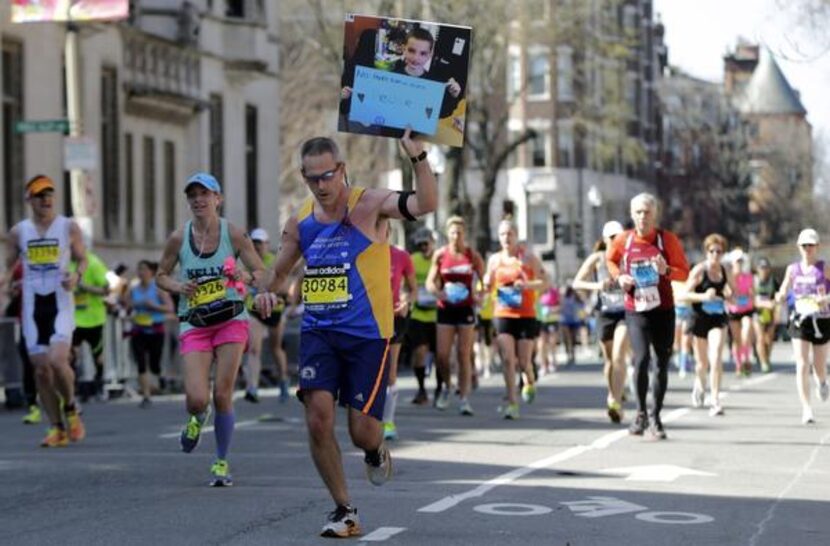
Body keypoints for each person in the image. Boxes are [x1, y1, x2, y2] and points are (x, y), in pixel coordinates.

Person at [253, 129, 437, 537]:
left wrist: (418, 156)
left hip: (367, 336)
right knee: (317, 418)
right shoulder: (300, 222)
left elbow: (426, 202)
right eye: (311, 178)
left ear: (342, 170)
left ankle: (375, 450)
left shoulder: (369, 204)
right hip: (320, 332)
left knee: (362, 432)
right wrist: (261, 293)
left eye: (327, 176)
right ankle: (343, 509)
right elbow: (278, 274)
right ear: (303, 177)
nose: (320, 186)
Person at [156, 172, 268, 486]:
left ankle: (221, 462)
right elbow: (160, 275)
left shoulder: (233, 233)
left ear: (217, 198)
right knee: (196, 398)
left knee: (222, 394)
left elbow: (260, 270)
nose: (198, 200)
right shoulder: (179, 237)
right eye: (192, 195)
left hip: (231, 317)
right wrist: (180, 286)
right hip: (195, 322)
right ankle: (195, 417)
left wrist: (241, 277)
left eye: (205, 194)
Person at [3, 175, 88, 447]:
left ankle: (72, 408)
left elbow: (82, 258)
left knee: (57, 360)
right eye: (40, 195)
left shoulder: (68, 227)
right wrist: (5, 284)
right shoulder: (20, 232)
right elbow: (7, 266)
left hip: (60, 301)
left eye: (49, 194)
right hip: (31, 305)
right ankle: (56, 427)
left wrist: (77, 276)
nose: (46, 200)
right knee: (41, 371)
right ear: (29, 199)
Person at [606, 192, 689, 439]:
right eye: (638, 212)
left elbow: (684, 273)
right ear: (632, 215)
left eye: (647, 212)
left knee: (661, 363)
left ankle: (656, 416)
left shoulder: (667, 240)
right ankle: (641, 413)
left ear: (655, 215)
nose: (643, 217)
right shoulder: (624, 240)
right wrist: (619, 277)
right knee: (641, 360)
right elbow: (610, 260)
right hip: (636, 309)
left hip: (663, 309)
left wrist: (667, 270)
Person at [484, 219, 547, 420]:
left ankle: (529, 379)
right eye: (502, 234)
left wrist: (526, 285)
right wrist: (485, 283)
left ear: (516, 235)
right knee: (508, 359)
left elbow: (546, 282)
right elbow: (488, 284)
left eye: (509, 234)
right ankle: (512, 402)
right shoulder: (494, 260)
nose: (505, 238)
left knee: (523, 361)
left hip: (526, 314)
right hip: (502, 313)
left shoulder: (528, 258)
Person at [426, 215, 485, 414]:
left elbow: (484, 282)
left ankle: (464, 398)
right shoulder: (441, 255)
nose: (456, 236)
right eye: (452, 232)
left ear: (464, 234)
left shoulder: (472, 255)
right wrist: (439, 292)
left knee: (463, 354)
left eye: (459, 232)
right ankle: (446, 386)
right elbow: (430, 282)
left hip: (466, 308)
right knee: (442, 356)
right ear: (447, 234)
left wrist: (479, 295)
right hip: (446, 307)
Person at [572, 220, 628, 423]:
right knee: (610, 361)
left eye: (620, 237)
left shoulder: (627, 258)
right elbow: (577, 282)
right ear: (605, 239)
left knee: (619, 354)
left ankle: (617, 403)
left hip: (625, 312)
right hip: (604, 312)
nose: (617, 240)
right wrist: (598, 285)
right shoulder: (597, 259)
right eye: (613, 237)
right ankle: (613, 393)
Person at [774, 228, 830, 425]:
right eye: (804, 245)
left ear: (817, 247)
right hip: (799, 319)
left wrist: (826, 299)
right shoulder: (792, 269)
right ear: (799, 247)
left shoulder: (824, 267)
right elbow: (783, 290)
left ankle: (822, 382)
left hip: (821, 320)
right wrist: (780, 296)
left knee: (819, 366)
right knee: (802, 362)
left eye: (811, 245)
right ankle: (807, 408)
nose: (808, 249)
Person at [684, 234, 735, 417]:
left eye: (719, 251)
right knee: (702, 363)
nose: (715, 254)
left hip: (718, 318)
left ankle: (715, 399)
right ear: (706, 252)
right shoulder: (699, 270)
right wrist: (704, 296)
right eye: (712, 251)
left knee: (716, 357)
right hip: (699, 318)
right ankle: (699, 382)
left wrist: (728, 295)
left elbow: (732, 293)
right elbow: (684, 295)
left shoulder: (725, 270)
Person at [244, 228, 290, 404]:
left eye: (260, 243)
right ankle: (252, 388)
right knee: (254, 349)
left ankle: (284, 381)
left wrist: (271, 288)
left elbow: (286, 289)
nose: (256, 247)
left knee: (276, 348)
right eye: (254, 243)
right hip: (255, 311)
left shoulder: (275, 262)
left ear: (267, 245)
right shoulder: (247, 263)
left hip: (275, 310)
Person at [126, 260, 174, 408]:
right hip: (138, 329)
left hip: (155, 329)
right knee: (141, 362)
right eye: (139, 269)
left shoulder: (157, 288)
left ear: (151, 272)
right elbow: (127, 307)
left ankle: (160, 375)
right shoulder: (133, 290)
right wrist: (131, 311)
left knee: (154, 364)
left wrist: (153, 306)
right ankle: (146, 395)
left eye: (144, 269)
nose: (141, 272)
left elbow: (170, 308)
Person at [382, 235, 417, 440]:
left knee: (390, 372)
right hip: (367, 319)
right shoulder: (362, 252)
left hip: (394, 317)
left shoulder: (401, 256)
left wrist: (407, 302)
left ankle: (388, 421)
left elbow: (413, 290)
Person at [69, 248, 111, 401]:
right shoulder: (64, 262)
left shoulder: (93, 263)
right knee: (70, 356)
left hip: (94, 319)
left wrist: (85, 287)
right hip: (73, 320)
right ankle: (73, 389)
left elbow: (107, 289)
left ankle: (99, 385)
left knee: (97, 356)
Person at [407, 227, 438, 405]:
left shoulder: (439, 259)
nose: (423, 247)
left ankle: (441, 388)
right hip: (418, 313)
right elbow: (405, 283)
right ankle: (422, 390)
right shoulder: (412, 260)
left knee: (441, 356)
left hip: (438, 314)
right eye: (420, 245)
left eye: (426, 243)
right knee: (419, 352)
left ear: (432, 243)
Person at [726, 250, 755, 376]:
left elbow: (752, 293)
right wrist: (732, 293)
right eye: (737, 261)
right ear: (732, 262)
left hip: (746, 310)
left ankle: (746, 359)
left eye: (741, 261)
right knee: (736, 340)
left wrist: (751, 296)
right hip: (733, 311)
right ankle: (739, 365)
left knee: (746, 332)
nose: (739, 263)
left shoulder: (748, 277)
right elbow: (726, 294)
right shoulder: (728, 277)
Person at [753, 257, 779, 373]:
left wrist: (775, 307)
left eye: (765, 268)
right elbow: (750, 298)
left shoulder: (774, 281)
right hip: (757, 313)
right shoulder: (753, 281)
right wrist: (762, 303)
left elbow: (778, 298)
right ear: (757, 269)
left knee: (769, 339)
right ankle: (763, 362)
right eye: (761, 268)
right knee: (760, 338)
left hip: (771, 313)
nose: (763, 270)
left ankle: (767, 357)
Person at [537, 282, 561, 375]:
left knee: (552, 342)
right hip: (540, 320)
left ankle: (553, 362)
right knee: (541, 344)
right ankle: (543, 365)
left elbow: (560, 306)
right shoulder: (537, 291)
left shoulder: (553, 292)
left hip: (552, 320)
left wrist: (551, 310)